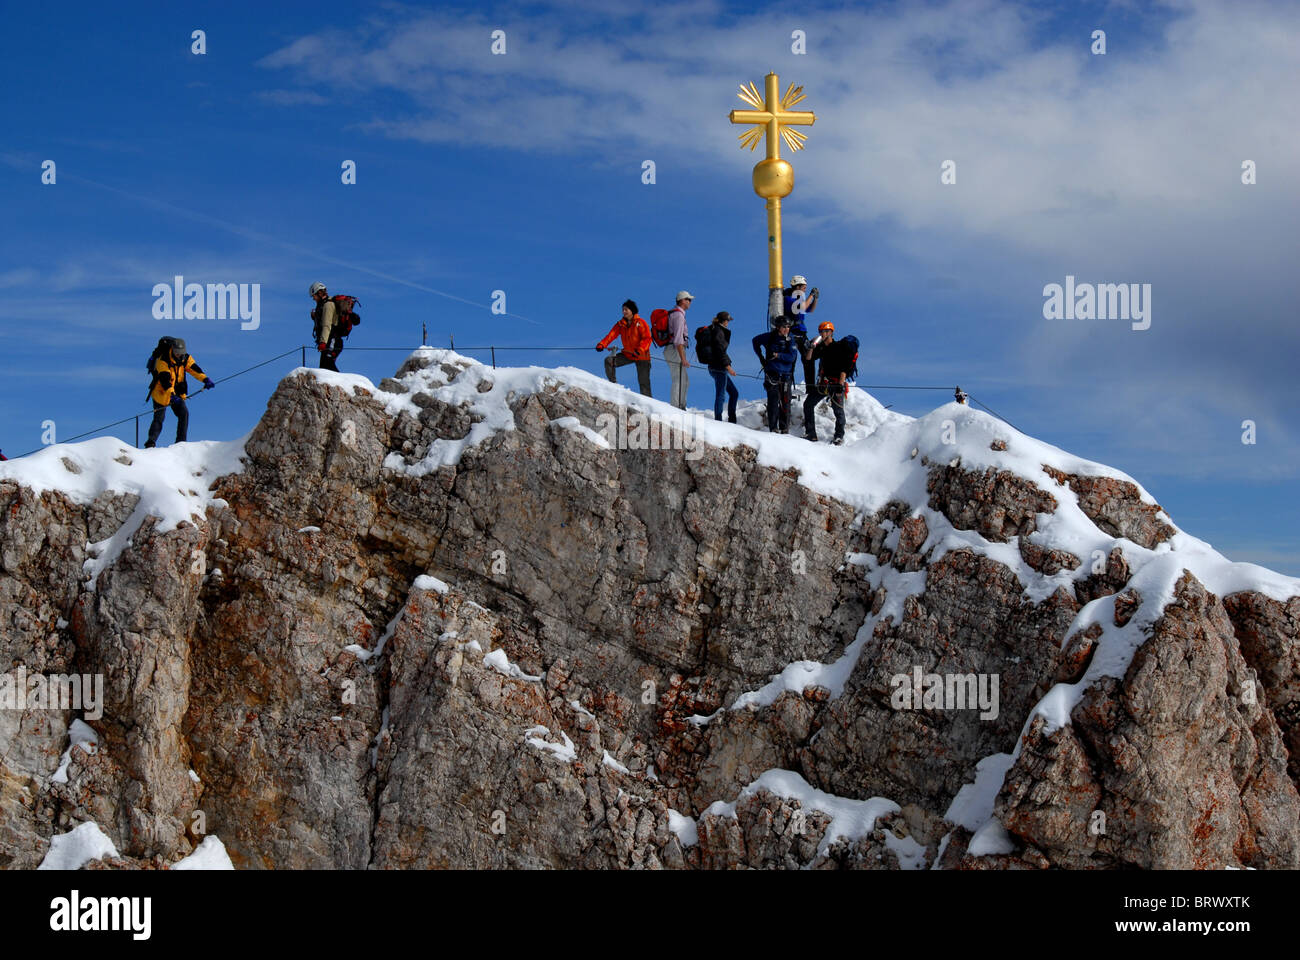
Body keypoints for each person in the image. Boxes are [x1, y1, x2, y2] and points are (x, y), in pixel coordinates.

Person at [145, 338, 214, 448]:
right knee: (159, 418)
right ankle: (151, 442)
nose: (179, 355)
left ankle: (181, 442)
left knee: (184, 413)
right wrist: (171, 395)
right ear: (173, 350)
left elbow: (195, 370)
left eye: (181, 353)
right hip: (161, 392)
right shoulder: (163, 360)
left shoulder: (186, 358)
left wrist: (205, 379)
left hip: (176, 392)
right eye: (177, 353)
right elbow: (165, 381)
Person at [802, 321, 851, 445]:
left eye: (825, 331)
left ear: (831, 333)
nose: (822, 334)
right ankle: (811, 434)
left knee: (838, 411)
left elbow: (844, 368)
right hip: (824, 384)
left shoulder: (839, 347)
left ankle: (839, 436)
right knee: (808, 404)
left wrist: (840, 385)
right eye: (821, 332)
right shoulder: (821, 347)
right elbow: (808, 359)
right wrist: (811, 347)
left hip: (835, 384)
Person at [752, 316, 800, 433]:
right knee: (773, 401)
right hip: (772, 374)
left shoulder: (791, 339)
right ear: (778, 327)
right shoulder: (769, 337)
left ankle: (784, 428)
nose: (786, 329)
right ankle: (773, 428)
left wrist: (779, 356)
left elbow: (792, 357)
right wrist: (761, 357)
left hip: (786, 375)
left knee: (785, 402)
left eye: (788, 327)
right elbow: (755, 341)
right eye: (784, 327)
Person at [596, 299, 652, 397]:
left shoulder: (641, 323)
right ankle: (613, 385)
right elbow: (611, 335)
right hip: (628, 354)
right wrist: (602, 344)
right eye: (623, 310)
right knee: (609, 361)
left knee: (644, 383)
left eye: (626, 309)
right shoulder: (621, 324)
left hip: (642, 356)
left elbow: (647, 338)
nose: (624, 312)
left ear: (632, 310)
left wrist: (640, 350)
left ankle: (648, 406)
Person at [783, 275, 820, 388]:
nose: (805, 290)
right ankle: (787, 387)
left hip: (801, 333)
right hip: (792, 334)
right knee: (791, 360)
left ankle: (810, 386)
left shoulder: (799, 299)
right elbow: (803, 307)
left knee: (809, 358)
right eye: (803, 287)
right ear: (797, 286)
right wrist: (811, 295)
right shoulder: (788, 299)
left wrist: (815, 298)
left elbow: (811, 309)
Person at [705, 311, 739, 423]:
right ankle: (718, 421)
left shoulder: (714, 329)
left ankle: (732, 419)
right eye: (728, 321)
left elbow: (720, 350)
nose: (728, 323)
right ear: (725, 321)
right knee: (721, 394)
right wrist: (728, 366)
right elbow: (719, 351)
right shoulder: (719, 331)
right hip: (719, 367)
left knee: (734, 393)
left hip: (715, 366)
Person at [664, 290, 693, 409]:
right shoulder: (679, 316)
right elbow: (678, 340)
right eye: (688, 299)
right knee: (679, 379)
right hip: (675, 350)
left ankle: (681, 405)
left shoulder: (676, 314)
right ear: (682, 301)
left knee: (684, 380)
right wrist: (683, 359)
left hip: (673, 349)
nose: (690, 302)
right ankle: (676, 407)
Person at [310, 281, 344, 372]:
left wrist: (323, 342)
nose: (313, 298)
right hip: (330, 340)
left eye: (314, 295)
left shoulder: (328, 305)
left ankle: (344, 383)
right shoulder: (323, 305)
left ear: (319, 293)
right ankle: (342, 383)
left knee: (327, 364)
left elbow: (327, 325)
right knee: (324, 367)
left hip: (332, 340)